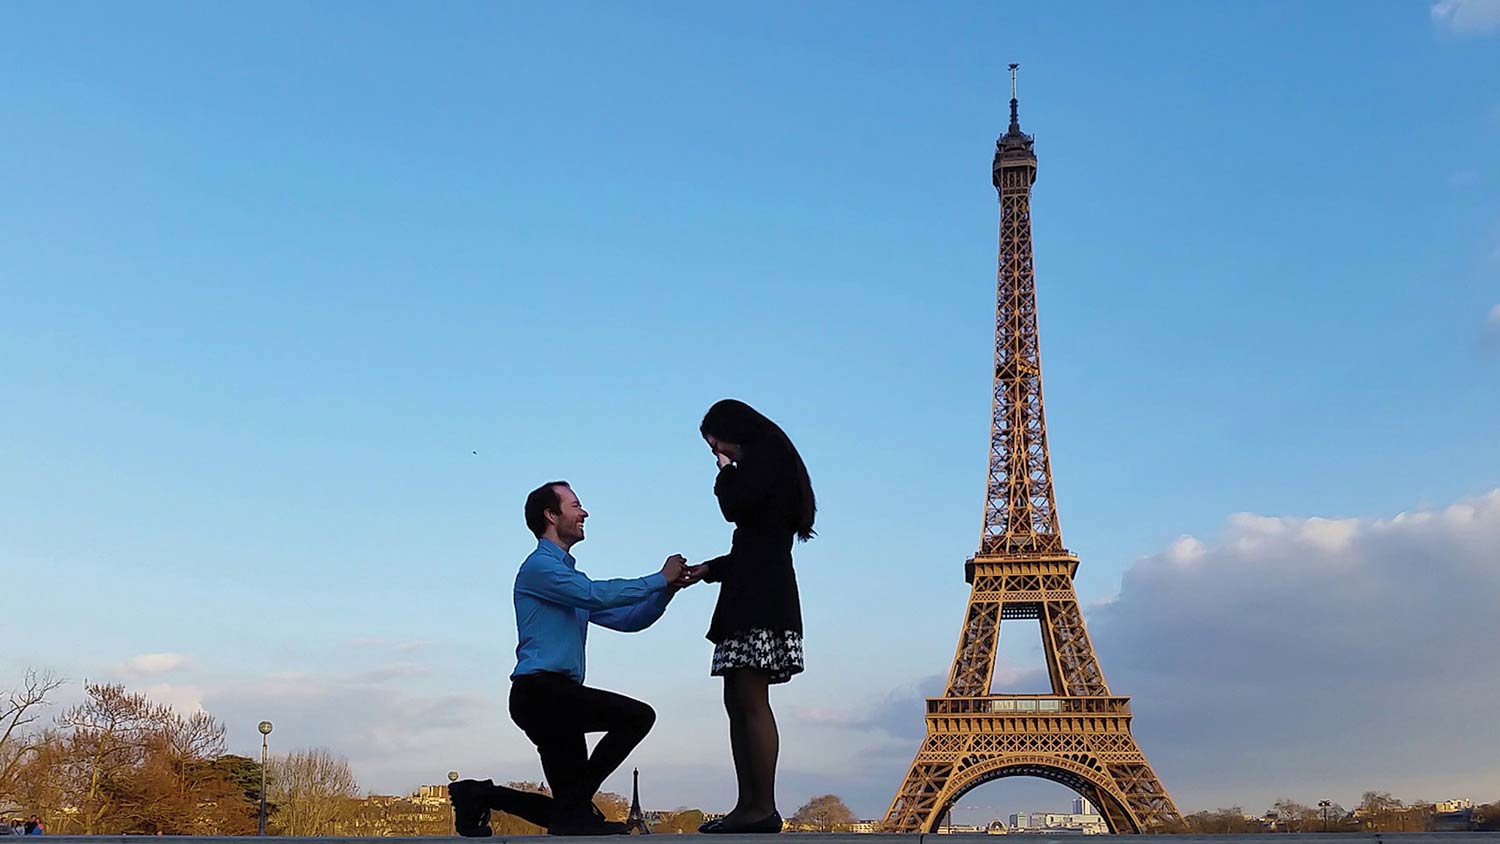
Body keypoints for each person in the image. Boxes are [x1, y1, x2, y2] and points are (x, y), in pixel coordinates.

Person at [448, 481, 692, 837]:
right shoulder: (539, 569)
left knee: (570, 818)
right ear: (551, 515)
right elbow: (594, 595)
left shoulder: (566, 577)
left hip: (555, 696)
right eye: (575, 505)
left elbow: (628, 620)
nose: (584, 512)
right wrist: (657, 578)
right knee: (638, 717)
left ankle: (480, 794)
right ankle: (567, 803)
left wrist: (666, 591)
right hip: (541, 692)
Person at [681, 399, 816, 835]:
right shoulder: (774, 462)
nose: (717, 453)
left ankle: (757, 808)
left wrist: (723, 469)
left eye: (715, 443)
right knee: (742, 699)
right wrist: (711, 570)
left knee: (748, 699)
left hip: (758, 596)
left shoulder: (762, 461)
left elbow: (734, 507)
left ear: (729, 431)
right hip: (761, 588)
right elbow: (756, 544)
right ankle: (754, 805)